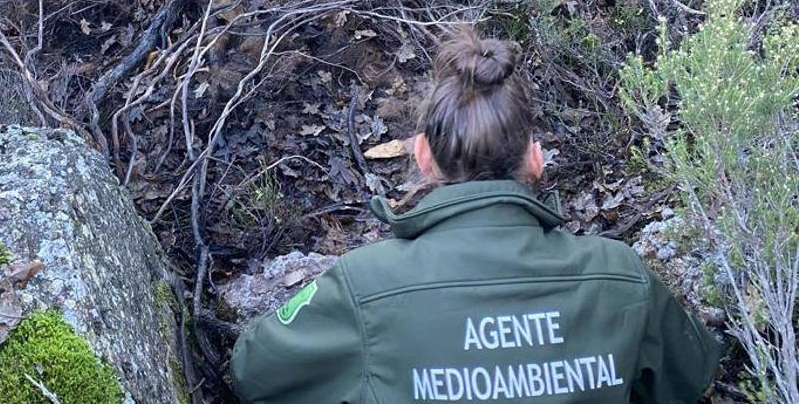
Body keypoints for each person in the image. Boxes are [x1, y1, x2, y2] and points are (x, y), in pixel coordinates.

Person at [230, 27, 722, 404]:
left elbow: (253, 371)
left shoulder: (366, 286)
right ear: (535, 159)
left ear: (423, 156)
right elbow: (692, 374)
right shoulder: (621, 277)